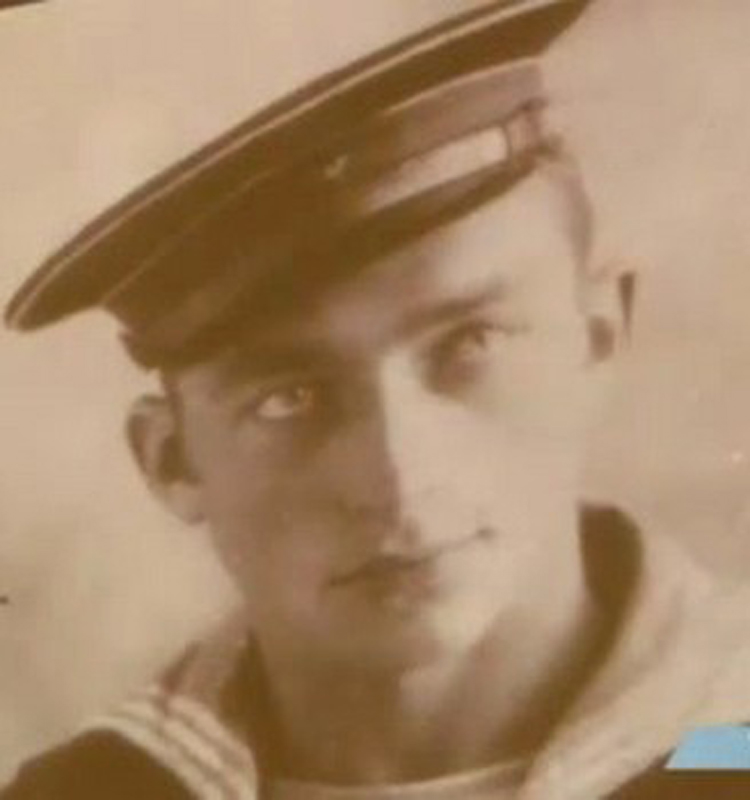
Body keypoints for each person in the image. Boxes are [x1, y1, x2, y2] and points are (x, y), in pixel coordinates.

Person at [4, 1, 750, 797]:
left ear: (598, 332)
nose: (397, 475)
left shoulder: (727, 752)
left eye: (471, 345)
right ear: (171, 462)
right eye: (288, 399)